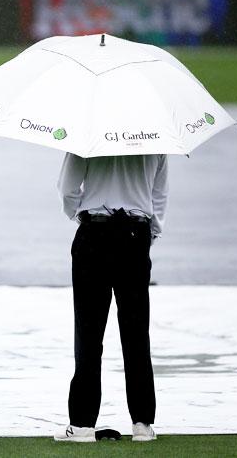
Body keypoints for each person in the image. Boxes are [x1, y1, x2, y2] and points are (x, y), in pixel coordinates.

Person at [53, 153, 168, 443]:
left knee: (89, 334)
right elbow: (158, 194)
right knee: (136, 334)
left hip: (95, 232)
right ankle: (142, 424)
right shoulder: (156, 136)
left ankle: (81, 425)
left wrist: (78, 214)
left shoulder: (87, 132)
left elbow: (67, 187)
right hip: (135, 232)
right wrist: (149, 233)